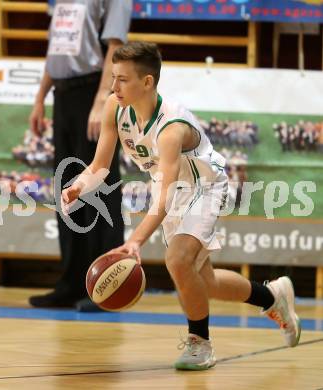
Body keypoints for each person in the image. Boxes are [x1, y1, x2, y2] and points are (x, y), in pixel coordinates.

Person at [61, 41, 301, 369]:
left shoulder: (171, 128)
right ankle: (272, 297)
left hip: (204, 186)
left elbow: (164, 199)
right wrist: (78, 186)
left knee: (177, 260)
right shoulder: (114, 107)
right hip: (171, 189)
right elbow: (100, 165)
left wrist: (134, 241)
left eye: (123, 80)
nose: (114, 86)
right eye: (113, 78)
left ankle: (200, 343)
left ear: (147, 82)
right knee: (204, 283)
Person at [28, 0, 132, 311]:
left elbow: (115, 46)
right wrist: (40, 97)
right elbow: (56, 48)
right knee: (68, 190)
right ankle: (72, 282)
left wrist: (104, 98)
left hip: (93, 94)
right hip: (63, 94)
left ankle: (107, 286)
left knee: (97, 187)